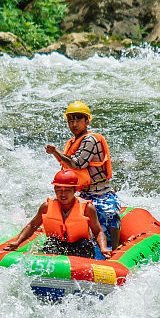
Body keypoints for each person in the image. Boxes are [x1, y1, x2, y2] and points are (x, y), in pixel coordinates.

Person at [45, 101, 121, 250]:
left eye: (78, 120)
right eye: (70, 121)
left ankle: (115, 249)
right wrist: (57, 154)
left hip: (101, 192)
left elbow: (78, 164)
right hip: (84, 192)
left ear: (86, 122)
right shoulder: (73, 142)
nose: (74, 124)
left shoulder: (90, 140)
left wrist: (55, 152)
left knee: (110, 214)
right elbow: (67, 164)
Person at [1, 169, 111, 259]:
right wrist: (17, 242)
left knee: (84, 245)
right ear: (54, 190)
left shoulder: (87, 208)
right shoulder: (46, 207)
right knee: (50, 243)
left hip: (79, 244)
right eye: (59, 189)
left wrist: (103, 248)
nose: (63, 194)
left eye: (67, 190)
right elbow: (32, 226)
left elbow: (98, 232)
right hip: (57, 243)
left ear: (75, 190)